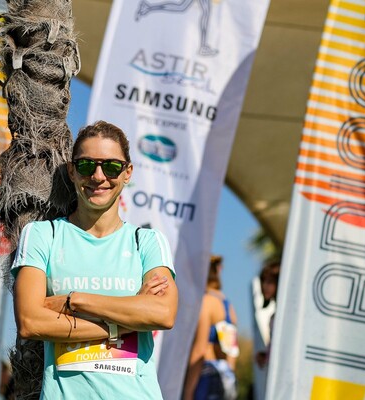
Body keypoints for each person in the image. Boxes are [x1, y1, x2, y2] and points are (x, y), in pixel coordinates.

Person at [12, 120, 178, 399]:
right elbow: (30, 321)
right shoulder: (43, 235)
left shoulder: (147, 242)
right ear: (72, 171)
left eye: (111, 166)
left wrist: (76, 301)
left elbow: (163, 313)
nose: (99, 176)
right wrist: (129, 319)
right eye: (87, 165)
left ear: (127, 173)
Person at [183, 255, 239, 400]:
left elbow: (199, 350)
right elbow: (232, 351)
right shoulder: (228, 305)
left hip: (205, 375)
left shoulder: (206, 302)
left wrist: (188, 392)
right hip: (224, 376)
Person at [251, 260, 281, 400]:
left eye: (270, 282)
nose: (265, 286)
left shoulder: (285, 314)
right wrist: (266, 355)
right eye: (263, 281)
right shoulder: (275, 314)